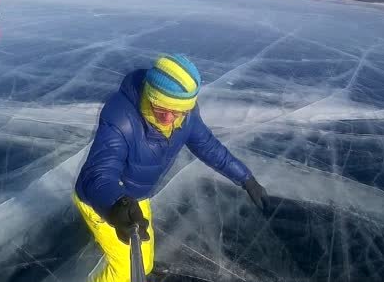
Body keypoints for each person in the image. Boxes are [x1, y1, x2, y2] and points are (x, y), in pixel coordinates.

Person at [74, 54, 269, 282]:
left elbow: (209, 147)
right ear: (149, 94)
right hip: (104, 201)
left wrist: (246, 178)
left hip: (138, 195)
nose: (168, 118)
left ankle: (145, 267)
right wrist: (115, 205)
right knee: (124, 270)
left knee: (143, 247)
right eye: (160, 108)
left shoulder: (187, 118)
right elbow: (98, 174)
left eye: (177, 111)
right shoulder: (120, 118)